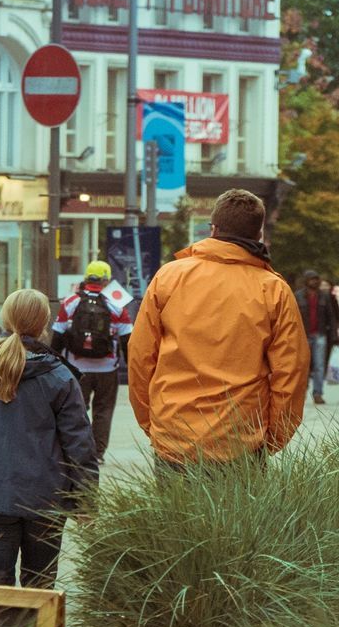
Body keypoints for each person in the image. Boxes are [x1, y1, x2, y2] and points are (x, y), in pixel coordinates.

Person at [128, 188, 309, 469]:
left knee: (177, 516)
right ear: (258, 235)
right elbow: (291, 371)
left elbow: (140, 356)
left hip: (174, 437)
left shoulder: (169, 277)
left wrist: (152, 423)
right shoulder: (273, 290)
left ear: (213, 229)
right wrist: (273, 438)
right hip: (242, 441)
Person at [0, 288, 98, 588]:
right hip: (43, 497)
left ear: (4, 318)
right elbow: (79, 445)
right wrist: (86, 502)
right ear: (44, 324)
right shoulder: (58, 376)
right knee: (40, 585)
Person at [51, 260, 133, 461]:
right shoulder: (117, 305)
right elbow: (127, 340)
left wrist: (53, 362)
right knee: (103, 411)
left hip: (77, 368)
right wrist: (131, 368)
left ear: (86, 279)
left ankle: (77, 450)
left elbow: (58, 334)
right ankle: (97, 453)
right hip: (107, 369)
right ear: (106, 281)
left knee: (77, 409)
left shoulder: (71, 302)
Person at [294, 269, 335, 405]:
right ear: (306, 281)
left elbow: (331, 316)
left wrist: (333, 334)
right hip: (303, 335)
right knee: (303, 365)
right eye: (312, 279)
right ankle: (302, 392)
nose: (315, 281)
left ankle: (318, 393)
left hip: (320, 334)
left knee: (319, 365)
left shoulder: (324, 296)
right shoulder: (298, 296)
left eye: (316, 279)